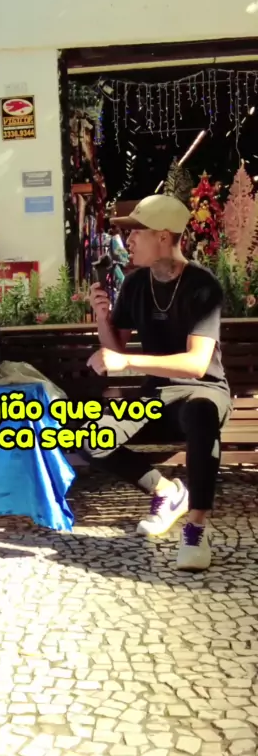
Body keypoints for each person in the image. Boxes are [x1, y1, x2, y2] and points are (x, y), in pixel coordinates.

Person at [81, 193, 231, 572]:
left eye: (137, 232)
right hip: (158, 396)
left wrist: (128, 360)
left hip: (204, 391)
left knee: (201, 413)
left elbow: (197, 364)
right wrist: (102, 317)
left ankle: (196, 527)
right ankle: (167, 491)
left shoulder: (202, 286)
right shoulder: (135, 284)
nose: (128, 240)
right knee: (91, 440)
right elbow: (115, 349)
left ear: (163, 237)